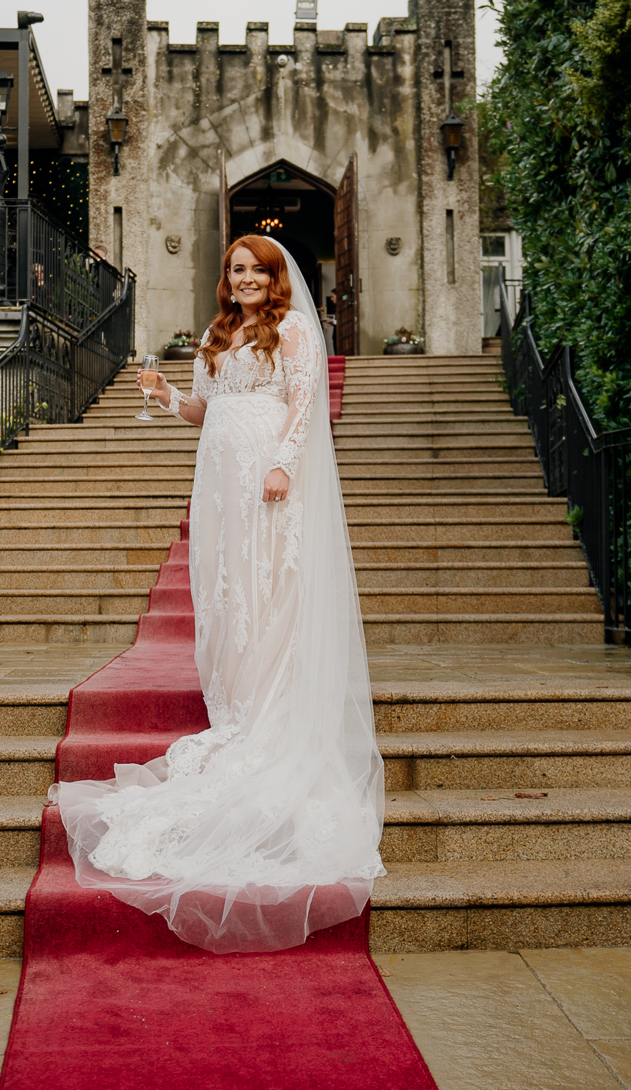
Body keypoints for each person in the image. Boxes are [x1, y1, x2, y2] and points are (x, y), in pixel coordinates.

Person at [50, 233, 385, 954]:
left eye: (255, 271)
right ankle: (237, 705)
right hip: (218, 483)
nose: (244, 280)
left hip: (268, 478)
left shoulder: (292, 330)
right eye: (234, 271)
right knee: (229, 594)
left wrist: (285, 466)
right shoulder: (216, 333)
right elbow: (205, 411)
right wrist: (167, 395)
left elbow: (304, 403)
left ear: (273, 278)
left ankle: (272, 714)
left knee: (268, 589)